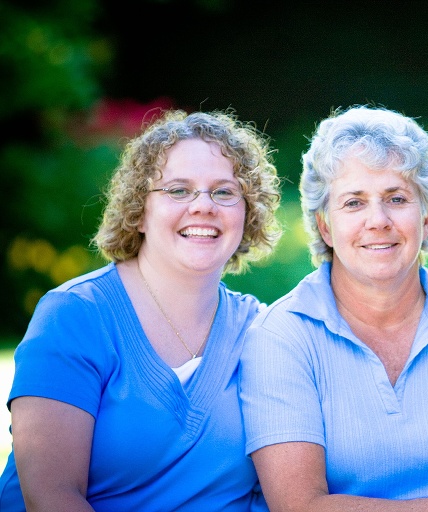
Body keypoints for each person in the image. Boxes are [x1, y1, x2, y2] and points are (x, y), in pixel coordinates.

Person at [239, 104, 428, 512]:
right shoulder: (281, 336)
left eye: (396, 198)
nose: (378, 220)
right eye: (353, 203)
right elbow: (299, 506)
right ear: (325, 226)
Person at [0, 109, 282, 511]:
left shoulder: (263, 331)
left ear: (247, 212)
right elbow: (52, 498)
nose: (203, 206)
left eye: (223, 191)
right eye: (178, 190)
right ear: (140, 211)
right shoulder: (75, 316)